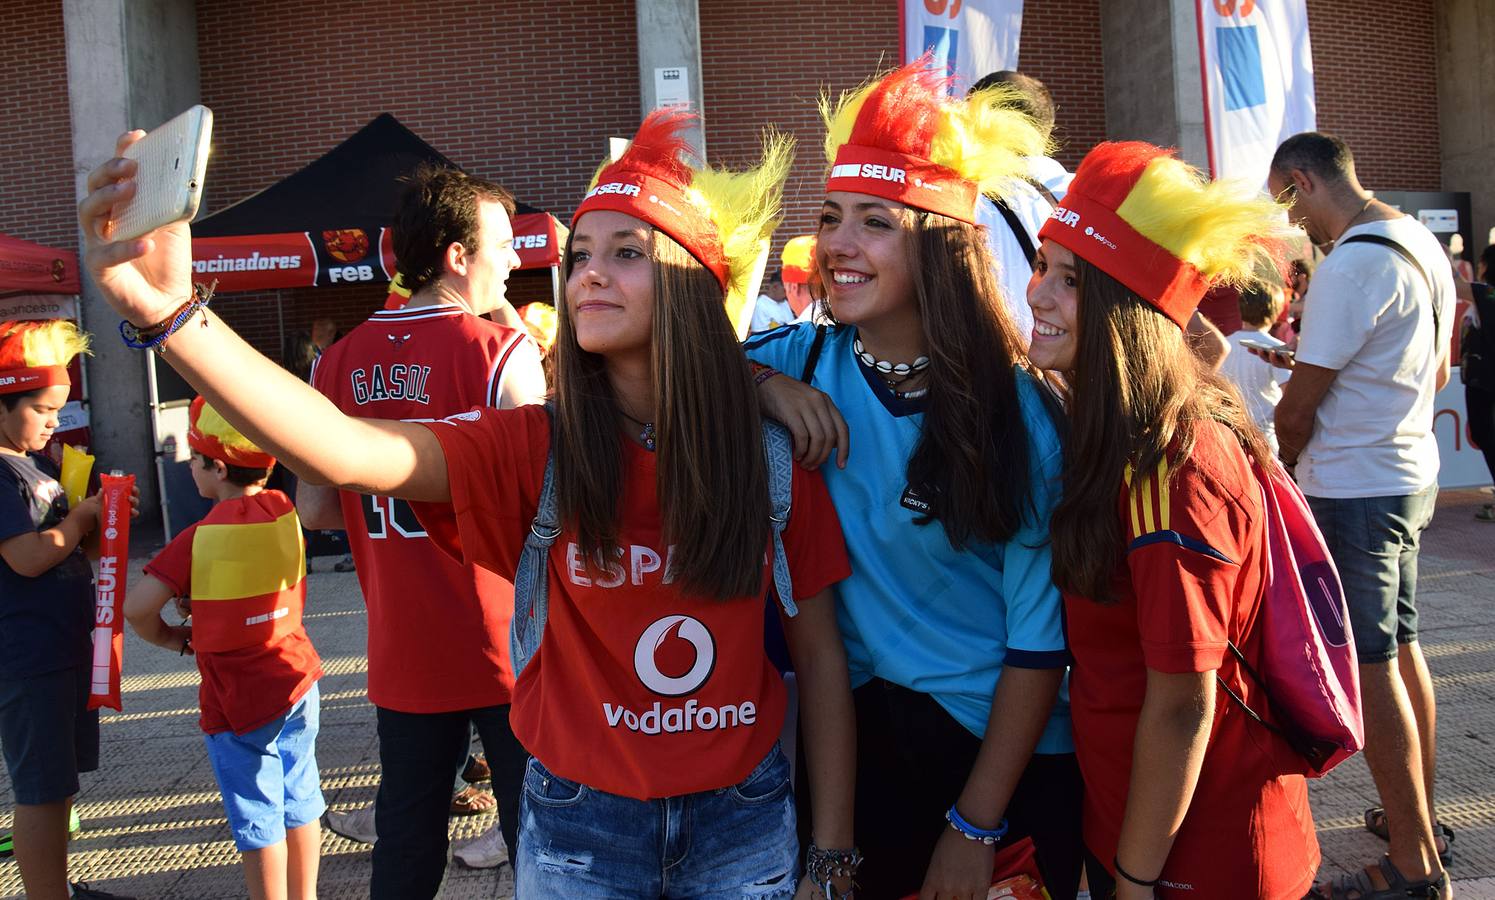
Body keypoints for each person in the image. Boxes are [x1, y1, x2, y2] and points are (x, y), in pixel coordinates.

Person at [80, 109, 856, 899]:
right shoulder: (532, 445)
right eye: (581, 252)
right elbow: (342, 450)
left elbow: (822, 659)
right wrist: (167, 314)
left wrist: (830, 854)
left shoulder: (766, 456)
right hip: (580, 826)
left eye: (626, 253)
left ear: (692, 288)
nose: (586, 271)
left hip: (745, 818)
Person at [750, 61, 1082, 899]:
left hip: (1001, 762)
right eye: (829, 219)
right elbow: (667, 370)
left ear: (938, 242)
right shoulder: (805, 358)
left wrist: (975, 826)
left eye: (874, 222)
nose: (836, 244)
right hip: (861, 743)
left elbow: (1038, 649)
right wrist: (764, 385)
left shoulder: (1023, 413)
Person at [1026, 140, 1318, 900]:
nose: (1034, 294)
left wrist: (1131, 880)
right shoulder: (1132, 429)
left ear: (1126, 312)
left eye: (1068, 280)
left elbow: (1184, 700)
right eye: (1040, 267)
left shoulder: (1167, 466)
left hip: (1193, 857)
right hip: (1145, 830)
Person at [294, 163, 543, 895]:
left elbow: (313, 511)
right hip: (507, 645)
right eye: (504, 244)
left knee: (406, 840)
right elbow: (544, 505)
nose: (517, 259)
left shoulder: (334, 362)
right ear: (458, 256)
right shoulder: (501, 352)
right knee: (540, 838)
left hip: (402, 644)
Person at [1268, 132, 1455, 899]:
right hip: (1407, 472)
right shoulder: (1415, 239)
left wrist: (1272, 466)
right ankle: (1415, 818)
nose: (1287, 220)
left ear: (1306, 182)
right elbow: (1433, 366)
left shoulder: (1348, 261)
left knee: (1370, 667)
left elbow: (1301, 410)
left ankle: (1413, 867)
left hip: (1352, 489)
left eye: (1284, 199)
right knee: (1403, 651)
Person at [124, 397, 323, 900]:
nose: (190, 467)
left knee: (259, 819)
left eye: (193, 458)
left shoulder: (196, 537)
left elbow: (136, 608)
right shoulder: (286, 513)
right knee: (300, 800)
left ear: (215, 466)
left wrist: (173, 638)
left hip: (238, 699)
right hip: (299, 679)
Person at [0, 321, 133, 900]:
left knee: (60, 786)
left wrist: (99, 516)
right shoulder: (2, 474)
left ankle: (58, 887)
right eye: (42, 407)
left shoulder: (35, 466)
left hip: (62, 648)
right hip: (29, 660)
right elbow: (28, 557)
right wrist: (79, 520)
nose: (55, 420)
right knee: (39, 789)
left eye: (60, 407)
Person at [1219, 283, 1290, 454]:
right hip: (1266, 441)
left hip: (1230, 438)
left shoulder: (1223, 345)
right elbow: (1289, 394)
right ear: (1275, 311)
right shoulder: (1277, 349)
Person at [1464, 244, 1495, 519]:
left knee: (1487, 436)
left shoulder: (1488, 294)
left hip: (1485, 384)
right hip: (1482, 382)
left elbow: (1455, 285)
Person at [749, 268, 793, 333]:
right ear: (775, 287)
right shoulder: (760, 305)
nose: (787, 294)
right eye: (785, 290)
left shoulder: (785, 303)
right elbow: (759, 336)